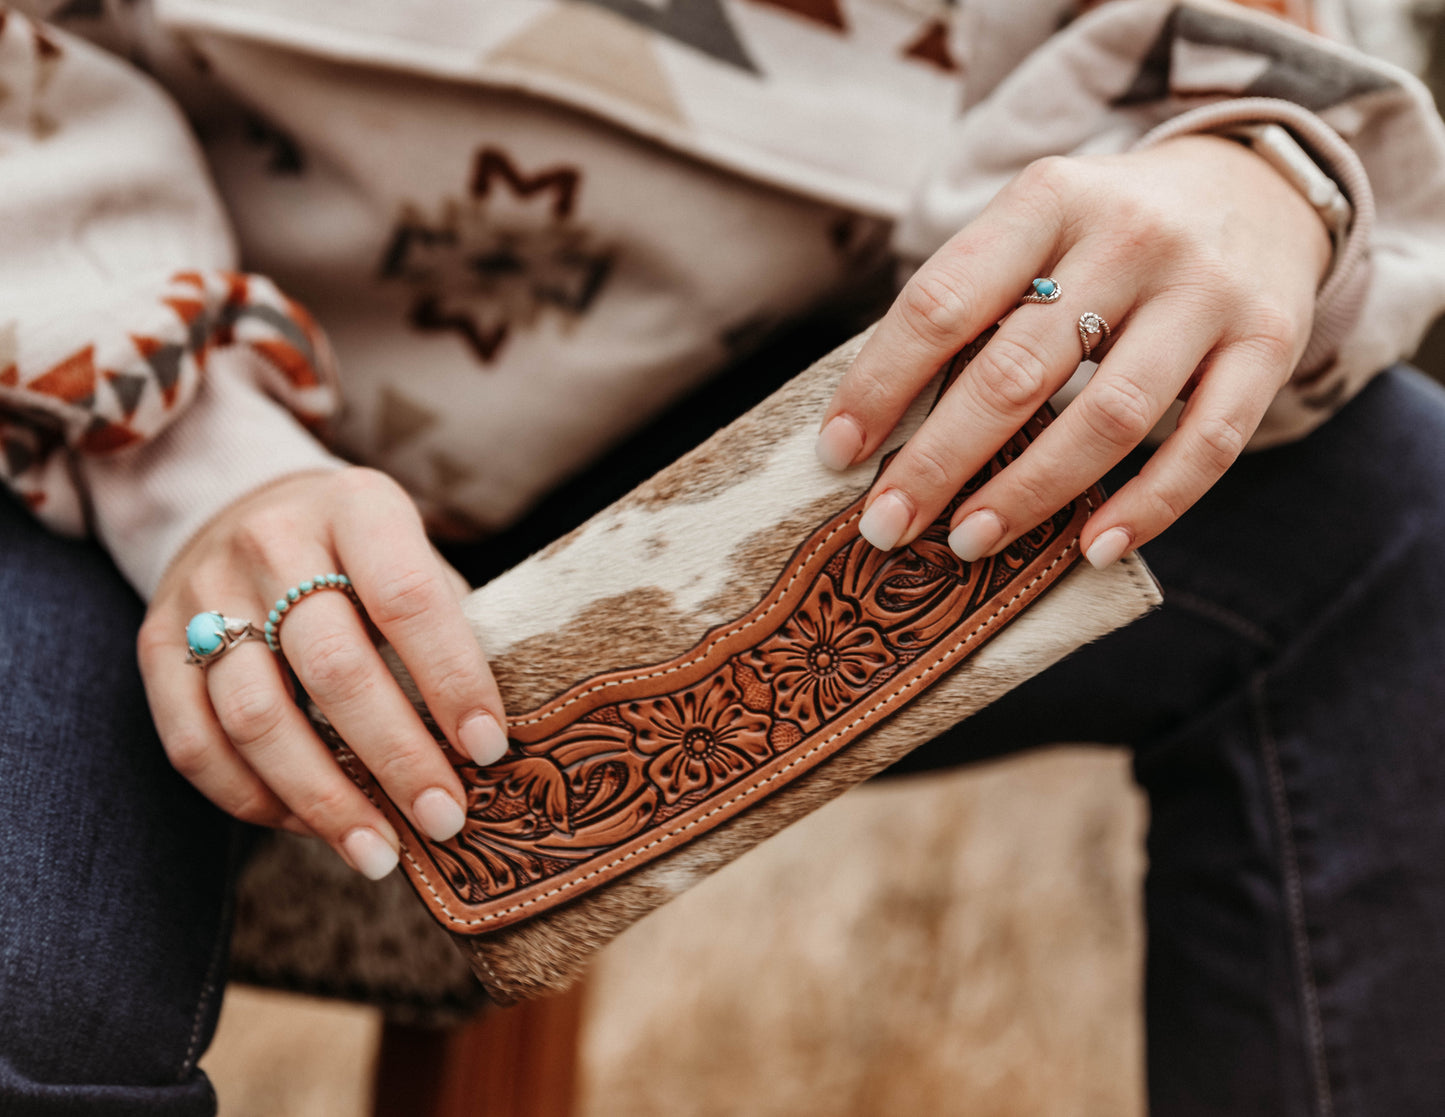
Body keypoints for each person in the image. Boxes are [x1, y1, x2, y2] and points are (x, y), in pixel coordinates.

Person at [2, 0, 1444, 1112]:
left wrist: (1254, 158)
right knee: (38, 983)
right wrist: (191, 461)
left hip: (777, 397)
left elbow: (1264, 53)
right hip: (96, 377)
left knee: (1391, 520)